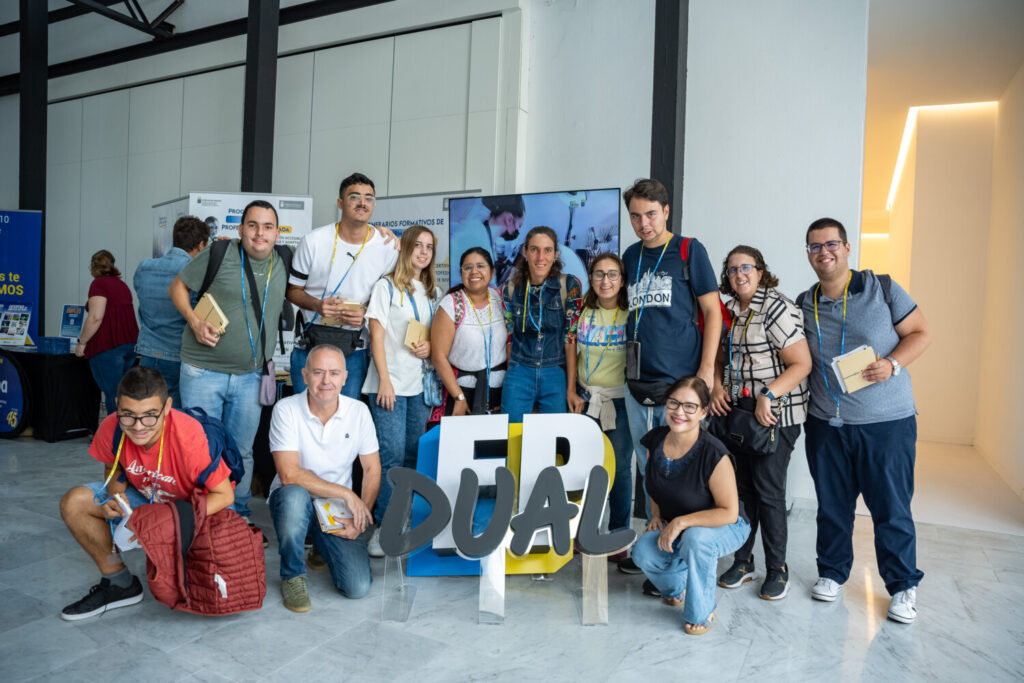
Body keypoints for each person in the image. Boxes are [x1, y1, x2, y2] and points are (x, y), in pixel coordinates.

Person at [798, 217, 930, 624]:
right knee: (832, 507)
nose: (825, 252)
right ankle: (832, 574)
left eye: (831, 244)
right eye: (815, 247)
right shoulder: (805, 302)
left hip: (886, 423)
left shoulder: (882, 288)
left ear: (848, 247)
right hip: (826, 424)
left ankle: (903, 586)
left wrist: (892, 364)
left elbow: (921, 332)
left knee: (890, 509)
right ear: (808, 254)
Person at [58, 367, 235, 620]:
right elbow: (113, 466)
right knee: (74, 502)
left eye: (150, 416)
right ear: (117, 404)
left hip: (193, 510)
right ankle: (119, 584)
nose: (139, 427)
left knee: (201, 590)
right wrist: (115, 497)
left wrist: (170, 520)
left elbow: (224, 496)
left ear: (167, 406)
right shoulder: (112, 427)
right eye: (128, 416)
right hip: (149, 501)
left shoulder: (191, 438)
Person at [618, 178, 722, 574]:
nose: (643, 223)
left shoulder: (688, 250)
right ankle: (655, 549)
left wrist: (705, 373)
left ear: (665, 212)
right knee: (649, 469)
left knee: (684, 470)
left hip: (680, 386)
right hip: (637, 382)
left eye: (650, 214)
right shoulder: (630, 256)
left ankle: (686, 556)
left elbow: (712, 313)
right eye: (635, 216)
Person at [169, 199, 288, 521]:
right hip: (202, 371)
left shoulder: (284, 261)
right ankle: (202, 516)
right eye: (252, 225)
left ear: (278, 233)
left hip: (251, 376)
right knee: (202, 450)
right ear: (240, 229)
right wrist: (194, 321)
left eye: (267, 226)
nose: (259, 233)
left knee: (242, 451)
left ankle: (237, 515)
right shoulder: (219, 253)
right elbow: (177, 287)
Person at [710, 245, 811, 600]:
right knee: (741, 492)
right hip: (739, 416)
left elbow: (801, 363)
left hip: (775, 417)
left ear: (761, 270)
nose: (740, 274)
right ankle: (743, 560)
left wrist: (768, 394)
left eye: (747, 267)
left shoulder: (775, 307)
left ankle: (777, 568)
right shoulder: (731, 312)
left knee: (769, 494)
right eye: (733, 269)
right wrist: (719, 386)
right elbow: (721, 356)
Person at [631, 376, 749, 635]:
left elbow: (729, 513)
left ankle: (701, 612)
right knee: (642, 552)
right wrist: (657, 514)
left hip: (725, 525)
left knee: (696, 540)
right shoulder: (655, 441)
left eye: (690, 406)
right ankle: (679, 586)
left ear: (704, 412)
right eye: (674, 403)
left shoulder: (714, 454)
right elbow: (652, 482)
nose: (679, 412)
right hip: (679, 525)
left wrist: (681, 522)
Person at [268, 345, 381, 612]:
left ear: (345, 377)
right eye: (318, 372)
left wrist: (360, 516)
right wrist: (346, 494)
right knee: (295, 496)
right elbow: (289, 474)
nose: (326, 381)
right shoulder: (286, 410)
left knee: (358, 587)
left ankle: (322, 543)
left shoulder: (358, 412)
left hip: (332, 508)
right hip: (294, 498)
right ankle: (292, 575)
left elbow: (372, 470)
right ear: (304, 375)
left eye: (334, 373)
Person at [362, 225, 440, 555]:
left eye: (429, 247)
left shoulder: (433, 291)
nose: (423, 252)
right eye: (417, 245)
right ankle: (385, 526)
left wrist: (429, 346)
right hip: (389, 385)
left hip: (420, 387)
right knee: (390, 457)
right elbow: (376, 336)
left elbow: (438, 334)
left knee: (411, 457)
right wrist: (384, 379)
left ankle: (404, 520)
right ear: (404, 248)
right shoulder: (386, 287)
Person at [287, 172, 399, 396]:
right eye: (354, 197)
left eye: (369, 198)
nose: (362, 203)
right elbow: (292, 291)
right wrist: (318, 305)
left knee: (346, 419)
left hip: (355, 350)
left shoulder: (388, 248)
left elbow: (389, 301)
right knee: (305, 415)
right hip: (310, 344)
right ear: (340, 202)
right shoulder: (314, 241)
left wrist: (367, 312)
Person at [566, 252, 632, 545]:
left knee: (617, 469)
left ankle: (618, 536)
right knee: (583, 468)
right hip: (584, 399)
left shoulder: (633, 312)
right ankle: (584, 533)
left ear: (622, 279)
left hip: (619, 402)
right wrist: (570, 390)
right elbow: (570, 349)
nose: (605, 281)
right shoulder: (579, 309)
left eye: (612, 274)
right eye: (599, 274)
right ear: (590, 279)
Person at [500, 226, 583, 422]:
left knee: (553, 441)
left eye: (547, 250)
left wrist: (571, 388)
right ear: (524, 252)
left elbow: (570, 339)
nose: (540, 257)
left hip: (555, 373)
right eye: (534, 249)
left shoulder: (570, 285)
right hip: (519, 372)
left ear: (555, 254)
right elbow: (510, 337)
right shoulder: (509, 289)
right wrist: (513, 374)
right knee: (510, 438)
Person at [133, 216, 211, 406]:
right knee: (174, 418)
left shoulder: (144, 268)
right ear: (201, 245)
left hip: (148, 354)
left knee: (148, 411)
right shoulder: (195, 273)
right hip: (180, 356)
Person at [431, 248, 508, 421]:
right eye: (468, 267)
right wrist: (459, 397)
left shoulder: (501, 299)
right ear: (461, 272)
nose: (474, 272)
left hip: (500, 394)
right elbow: (438, 356)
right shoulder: (451, 304)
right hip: (463, 396)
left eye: (481, 266)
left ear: (492, 271)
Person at [75, 250, 140, 414]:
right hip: (130, 345)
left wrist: (82, 342)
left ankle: (115, 435)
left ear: (93, 266)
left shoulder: (98, 284)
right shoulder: (122, 285)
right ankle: (127, 433)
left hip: (108, 346)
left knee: (113, 394)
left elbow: (96, 317)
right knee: (124, 393)